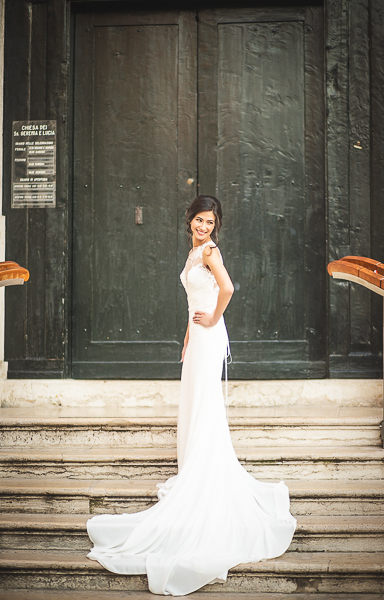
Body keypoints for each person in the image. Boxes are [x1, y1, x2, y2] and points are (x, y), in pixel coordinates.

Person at [86, 195, 296, 596]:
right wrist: (187, 335)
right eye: (199, 220)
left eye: (210, 222)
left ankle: (204, 475)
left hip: (210, 334)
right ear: (190, 221)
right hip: (197, 335)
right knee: (196, 404)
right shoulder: (193, 251)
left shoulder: (211, 251)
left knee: (205, 405)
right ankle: (194, 470)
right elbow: (191, 302)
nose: (204, 227)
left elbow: (228, 288)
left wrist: (213, 320)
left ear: (216, 225)